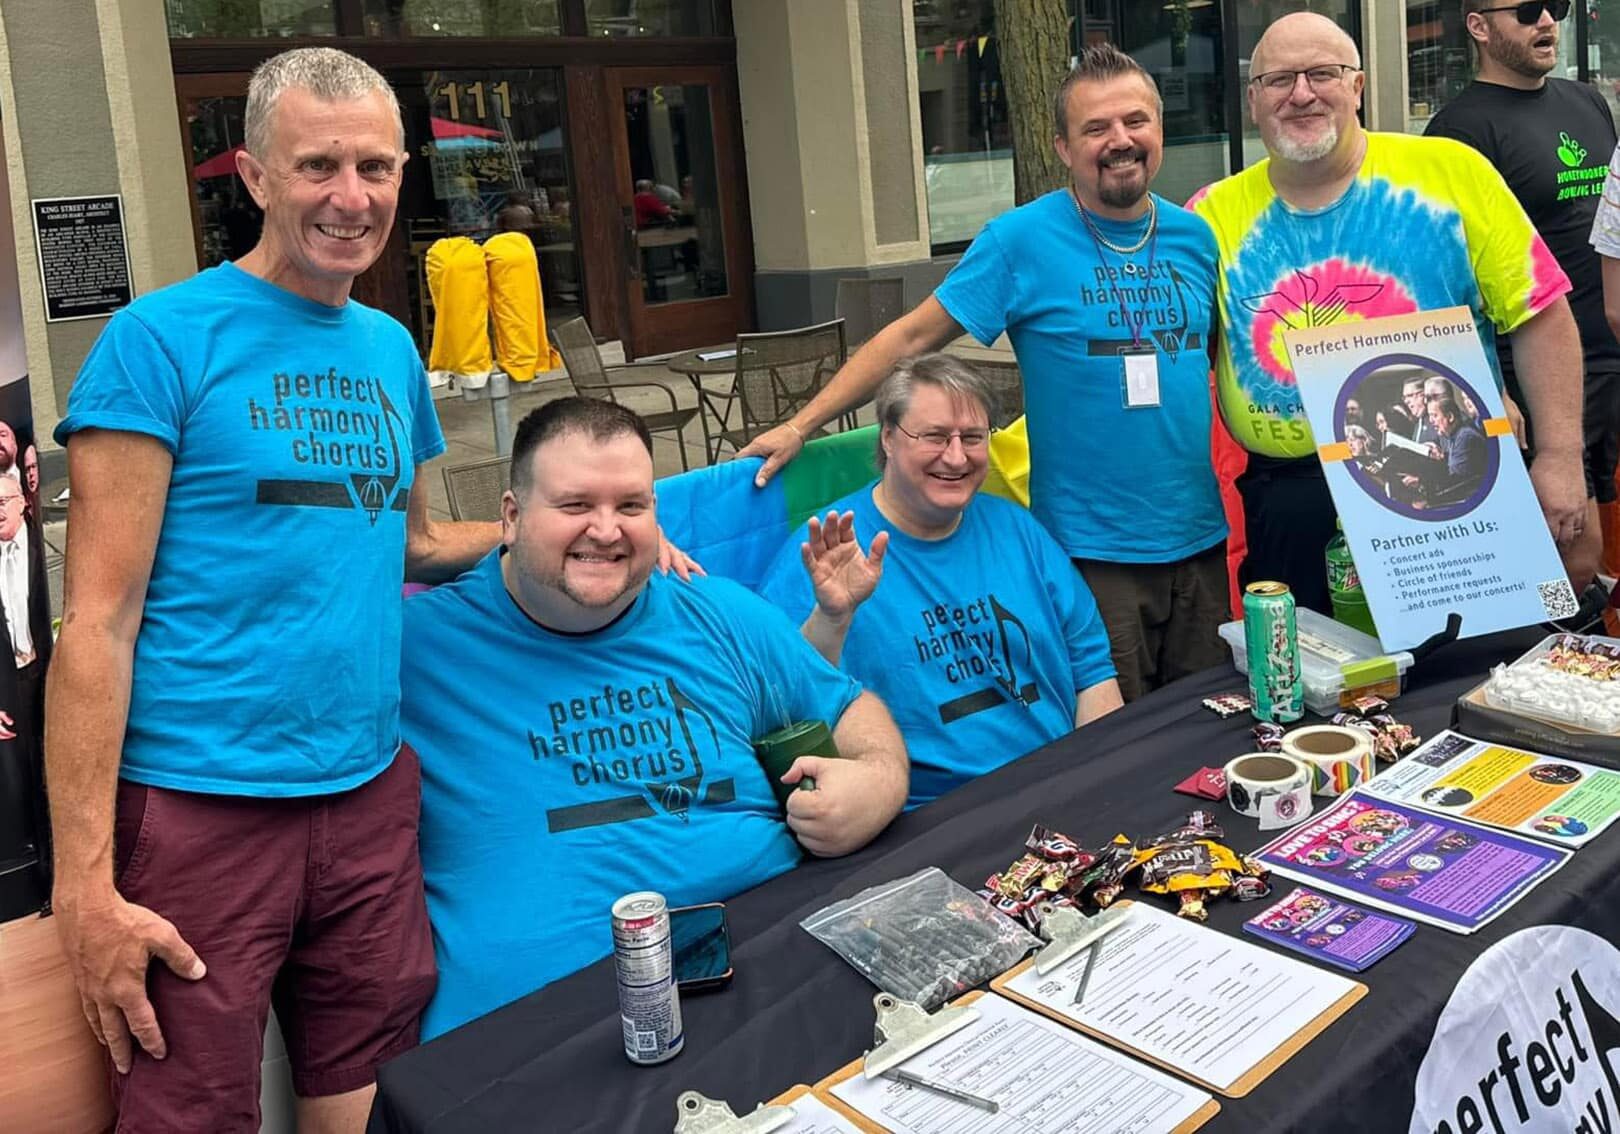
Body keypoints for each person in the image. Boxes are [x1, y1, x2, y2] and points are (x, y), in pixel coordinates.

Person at [45, 47, 502, 1132]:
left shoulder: (391, 348)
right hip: (204, 810)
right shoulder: (158, 342)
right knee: (188, 1111)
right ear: (253, 176)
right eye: (318, 167)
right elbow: (96, 622)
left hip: (366, 798)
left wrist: (578, 533)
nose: (352, 198)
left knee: (372, 1092)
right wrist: (87, 888)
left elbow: (411, 545)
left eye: (377, 168)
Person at [399, 397, 908, 1039]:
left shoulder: (717, 612)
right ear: (510, 515)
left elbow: (848, 704)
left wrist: (879, 780)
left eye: (631, 507)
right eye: (575, 505)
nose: (606, 530)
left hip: (775, 981)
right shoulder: (413, 650)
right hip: (536, 1039)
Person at [738, 44, 1228, 701]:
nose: (1120, 141)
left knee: (1208, 726)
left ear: (1160, 130)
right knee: (1118, 748)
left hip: (1199, 541)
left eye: (1135, 121)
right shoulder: (1018, 241)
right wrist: (800, 424)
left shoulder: (1196, 239)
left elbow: (1222, 366)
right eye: (1095, 128)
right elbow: (912, 336)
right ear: (1061, 146)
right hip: (1090, 556)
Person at [1191, 12, 1585, 613]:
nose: (1301, 94)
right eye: (1278, 80)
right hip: (1291, 499)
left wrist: (1560, 458)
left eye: (1323, 73)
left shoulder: (1450, 172)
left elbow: (1541, 315)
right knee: (1310, 691)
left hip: (1451, 485)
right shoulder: (1209, 216)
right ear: (1253, 100)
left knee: (1473, 672)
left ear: (1358, 86)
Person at [757, 355, 1122, 809]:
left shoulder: (1018, 530)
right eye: (933, 436)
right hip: (931, 817)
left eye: (972, 437)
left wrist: (1101, 781)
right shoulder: (824, 552)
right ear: (888, 438)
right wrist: (833, 617)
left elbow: (1092, 669)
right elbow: (778, 709)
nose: (956, 456)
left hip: (1062, 784)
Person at [1427, 0, 1612, 591]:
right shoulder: (1458, 133)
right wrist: (1492, 390)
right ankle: (1542, 668)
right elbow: (1447, 273)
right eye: (1527, 10)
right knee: (1570, 552)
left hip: (1607, 354)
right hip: (1536, 375)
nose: (1548, 21)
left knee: (1603, 546)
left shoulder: (1586, 102)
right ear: (1479, 27)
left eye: (1554, 7)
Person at [0, 474, 51, 901]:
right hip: (7, 683)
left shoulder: (42, 550)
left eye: (4, 500)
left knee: (54, 775)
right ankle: (36, 884)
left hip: (47, 676)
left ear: (23, 503)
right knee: (21, 781)